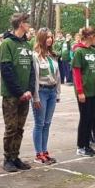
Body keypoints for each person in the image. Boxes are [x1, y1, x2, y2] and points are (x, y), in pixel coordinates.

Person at [0, 13, 35, 172]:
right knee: (11, 127)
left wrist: (30, 89)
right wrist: (19, 92)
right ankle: (7, 158)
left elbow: (32, 70)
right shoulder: (7, 43)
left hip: (25, 95)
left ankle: (15, 156)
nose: (29, 25)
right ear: (21, 24)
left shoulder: (27, 44)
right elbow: (6, 70)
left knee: (20, 127)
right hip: (11, 95)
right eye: (27, 22)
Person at [30, 27, 60, 164]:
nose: (50, 39)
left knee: (47, 123)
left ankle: (45, 150)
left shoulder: (52, 55)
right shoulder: (35, 56)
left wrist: (58, 92)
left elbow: (57, 75)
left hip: (52, 91)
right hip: (41, 91)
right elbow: (35, 78)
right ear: (41, 39)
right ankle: (38, 153)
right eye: (47, 37)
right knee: (40, 123)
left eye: (51, 37)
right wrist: (35, 96)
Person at [72, 27, 95, 157]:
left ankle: (87, 145)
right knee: (84, 118)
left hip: (94, 89)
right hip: (85, 90)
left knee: (91, 118)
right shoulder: (79, 51)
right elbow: (77, 72)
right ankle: (81, 146)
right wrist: (80, 91)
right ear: (90, 36)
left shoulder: (93, 51)